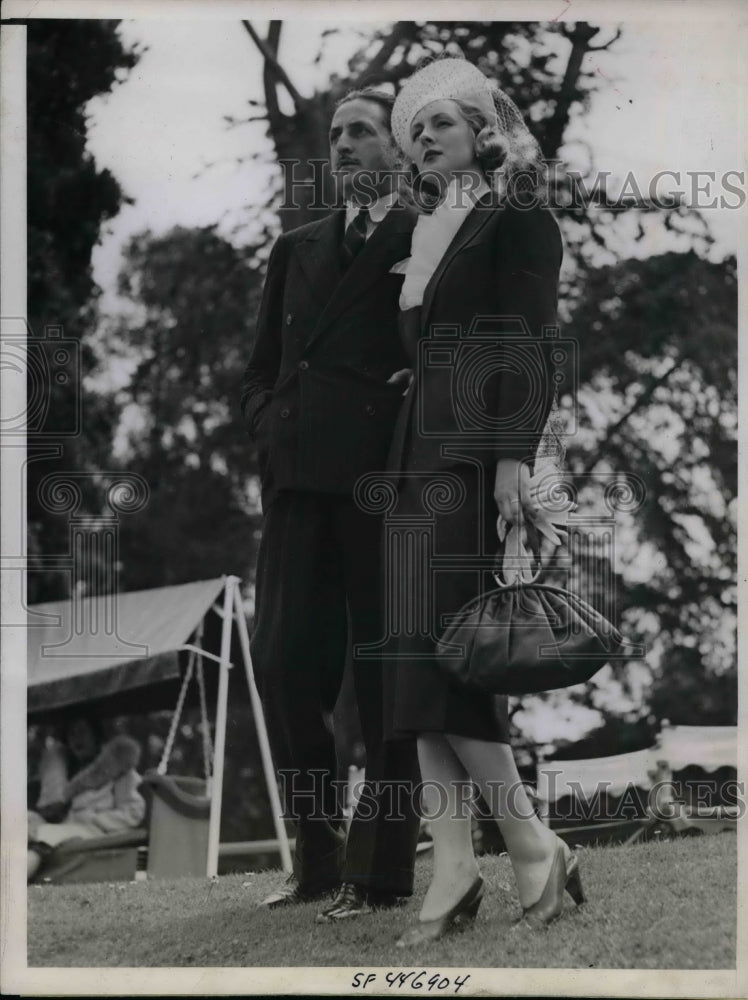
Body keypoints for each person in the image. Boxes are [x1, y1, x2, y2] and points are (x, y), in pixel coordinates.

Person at [383, 56, 583, 946]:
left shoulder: (518, 214)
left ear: (484, 133)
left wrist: (512, 463)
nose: (424, 138)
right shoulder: (432, 228)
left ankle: (532, 844)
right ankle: (455, 864)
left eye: (442, 126)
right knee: (417, 663)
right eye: (416, 130)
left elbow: (530, 347)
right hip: (412, 461)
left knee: (458, 655)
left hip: (471, 460)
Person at [241, 87, 422, 921]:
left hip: (384, 482)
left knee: (386, 679)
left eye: (361, 132)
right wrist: (265, 429)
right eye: (337, 134)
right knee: (283, 667)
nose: (343, 146)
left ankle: (379, 873)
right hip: (297, 481)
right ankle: (313, 861)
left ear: (399, 148)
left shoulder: (428, 234)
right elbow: (263, 363)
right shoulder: (296, 245)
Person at [27, 715, 145, 882]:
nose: (77, 739)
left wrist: (95, 820)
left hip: (96, 831)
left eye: (82, 731)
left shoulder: (120, 770)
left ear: (96, 735)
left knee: (45, 834)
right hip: (70, 828)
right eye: (71, 734)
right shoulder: (71, 773)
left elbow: (133, 812)